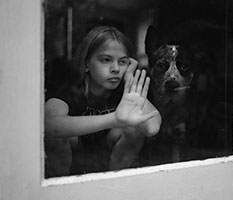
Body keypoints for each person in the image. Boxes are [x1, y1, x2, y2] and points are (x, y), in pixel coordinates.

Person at [44, 26, 161, 177]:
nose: (115, 69)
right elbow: (49, 126)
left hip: (111, 164)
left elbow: (151, 128)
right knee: (60, 137)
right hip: (71, 167)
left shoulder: (124, 91)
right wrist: (114, 119)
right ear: (86, 63)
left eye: (123, 62)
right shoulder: (71, 88)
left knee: (133, 130)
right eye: (106, 60)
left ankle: (114, 188)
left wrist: (130, 80)